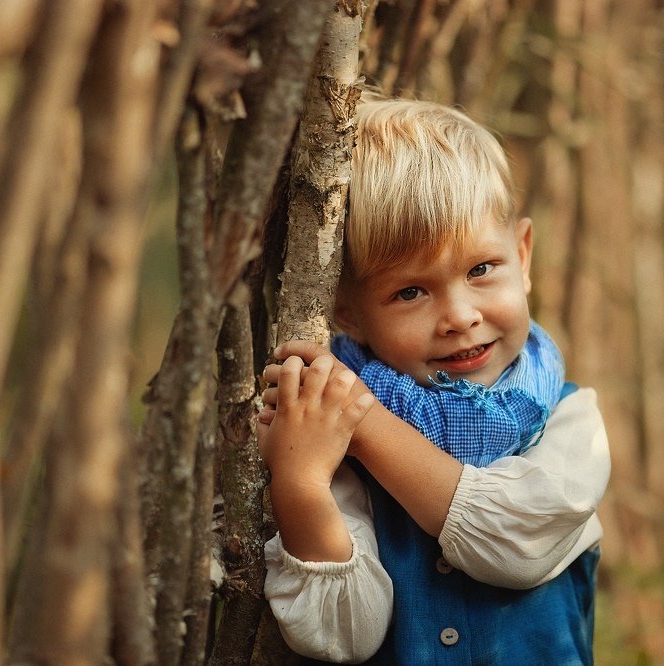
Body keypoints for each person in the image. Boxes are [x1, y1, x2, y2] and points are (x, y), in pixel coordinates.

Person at [257, 97, 610, 664]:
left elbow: (518, 545)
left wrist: (368, 423)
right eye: (410, 292)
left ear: (522, 255)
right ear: (347, 314)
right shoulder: (330, 438)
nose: (459, 316)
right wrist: (300, 483)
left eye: (480, 270)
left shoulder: (568, 421)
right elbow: (342, 634)